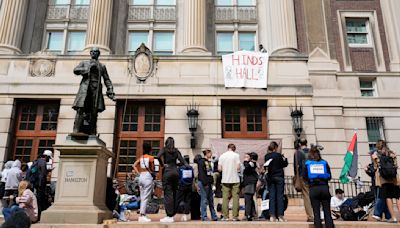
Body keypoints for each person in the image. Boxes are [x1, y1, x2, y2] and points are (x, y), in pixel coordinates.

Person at [72, 47, 115, 135]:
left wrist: (110, 89)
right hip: (85, 88)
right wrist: (88, 69)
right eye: (92, 52)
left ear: (98, 54)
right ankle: (76, 130)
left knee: (94, 111)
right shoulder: (85, 63)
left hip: (96, 89)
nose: (94, 53)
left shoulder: (102, 66)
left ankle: (92, 131)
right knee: (81, 108)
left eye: (96, 52)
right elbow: (75, 70)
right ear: (90, 53)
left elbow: (106, 79)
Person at [157, 137, 188, 223]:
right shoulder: (176, 151)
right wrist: (176, 164)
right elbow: (183, 161)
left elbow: (158, 156)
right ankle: (173, 213)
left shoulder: (164, 149)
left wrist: (162, 165)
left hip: (167, 172)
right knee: (174, 194)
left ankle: (169, 215)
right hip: (176, 173)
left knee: (168, 194)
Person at [302, 146, 334, 228]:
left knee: (316, 213)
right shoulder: (324, 163)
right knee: (327, 212)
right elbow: (329, 176)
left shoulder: (307, 163)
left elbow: (304, 177)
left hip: (314, 189)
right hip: (324, 188)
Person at [372, 140, 400, 223]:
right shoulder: (392, 153)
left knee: (388, 197)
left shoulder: (376, 155)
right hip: (394, 179)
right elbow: (396, 165)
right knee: (398, 197)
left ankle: (393, 217)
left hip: (384, 179)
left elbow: (375, 167)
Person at [264, 141, 288, 222]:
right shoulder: (278, 155)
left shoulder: (266, 156)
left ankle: (272, 215)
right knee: (280, 196)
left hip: (271, 177)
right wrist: (285, 158)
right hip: (279, 176)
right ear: (275, 148)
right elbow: (284, 164)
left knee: (272, 196)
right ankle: (280, 216)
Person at [132, 143, 155, 223]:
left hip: (141, 176)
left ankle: (142, 215)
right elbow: (153, 168)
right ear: (150, 149)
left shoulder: (141, 157)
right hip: (147, 177)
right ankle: (142, 215)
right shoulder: (151, 158)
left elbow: (134, 165)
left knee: (142, 197)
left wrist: (138, 173)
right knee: (145, 197)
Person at [218, 143, 241, 221]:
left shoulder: (222, 156)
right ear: (234, 149)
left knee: (225, 198)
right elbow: (238, 168)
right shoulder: (236, 155)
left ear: (227, 148)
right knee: (235, 198)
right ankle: (235, 216)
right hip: (235, 179)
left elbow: (219, 169)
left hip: (225, 179)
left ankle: (225, 216)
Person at [293, 138, 313, 222]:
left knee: (306, 196)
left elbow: (295, 166)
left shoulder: (297, 152)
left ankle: (310, 216)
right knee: (314, 195)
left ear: (300, 144)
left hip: (303, 176)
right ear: (307, 143)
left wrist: (296, 176)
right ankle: (317, 213)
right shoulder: (312, 151)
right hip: (313, 176)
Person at [197, 149, 218, 221]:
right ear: (207, 153)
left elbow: (210, 173)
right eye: (210, 153)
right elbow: (202, 173)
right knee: (204, 200)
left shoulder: (208, 162)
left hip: (209, 183)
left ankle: (214, 216)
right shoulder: (202, 162)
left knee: (211, 200)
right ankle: (204, 216)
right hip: (204, 183)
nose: (211, 155)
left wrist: (211, 182)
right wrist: (205, 182)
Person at [176, 155, 193, 221]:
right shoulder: (191, 168)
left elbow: (178, 177)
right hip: (189, 186)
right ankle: (186, 214)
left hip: (182, 186)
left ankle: (172, 213)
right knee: (187, 200)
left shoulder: (181, 168)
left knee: (178, 199)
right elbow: (192, 177)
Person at [242, 152, 259, 221]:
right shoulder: (251, 164)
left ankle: (248, 215)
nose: (245, 158)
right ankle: (253, 214)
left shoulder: (250, 164)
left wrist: (246, 161)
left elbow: (246, 168)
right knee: (250, 199)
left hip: (250, 183)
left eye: (247, 157)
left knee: (248, 199)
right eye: (245, 157)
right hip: (249, 183)